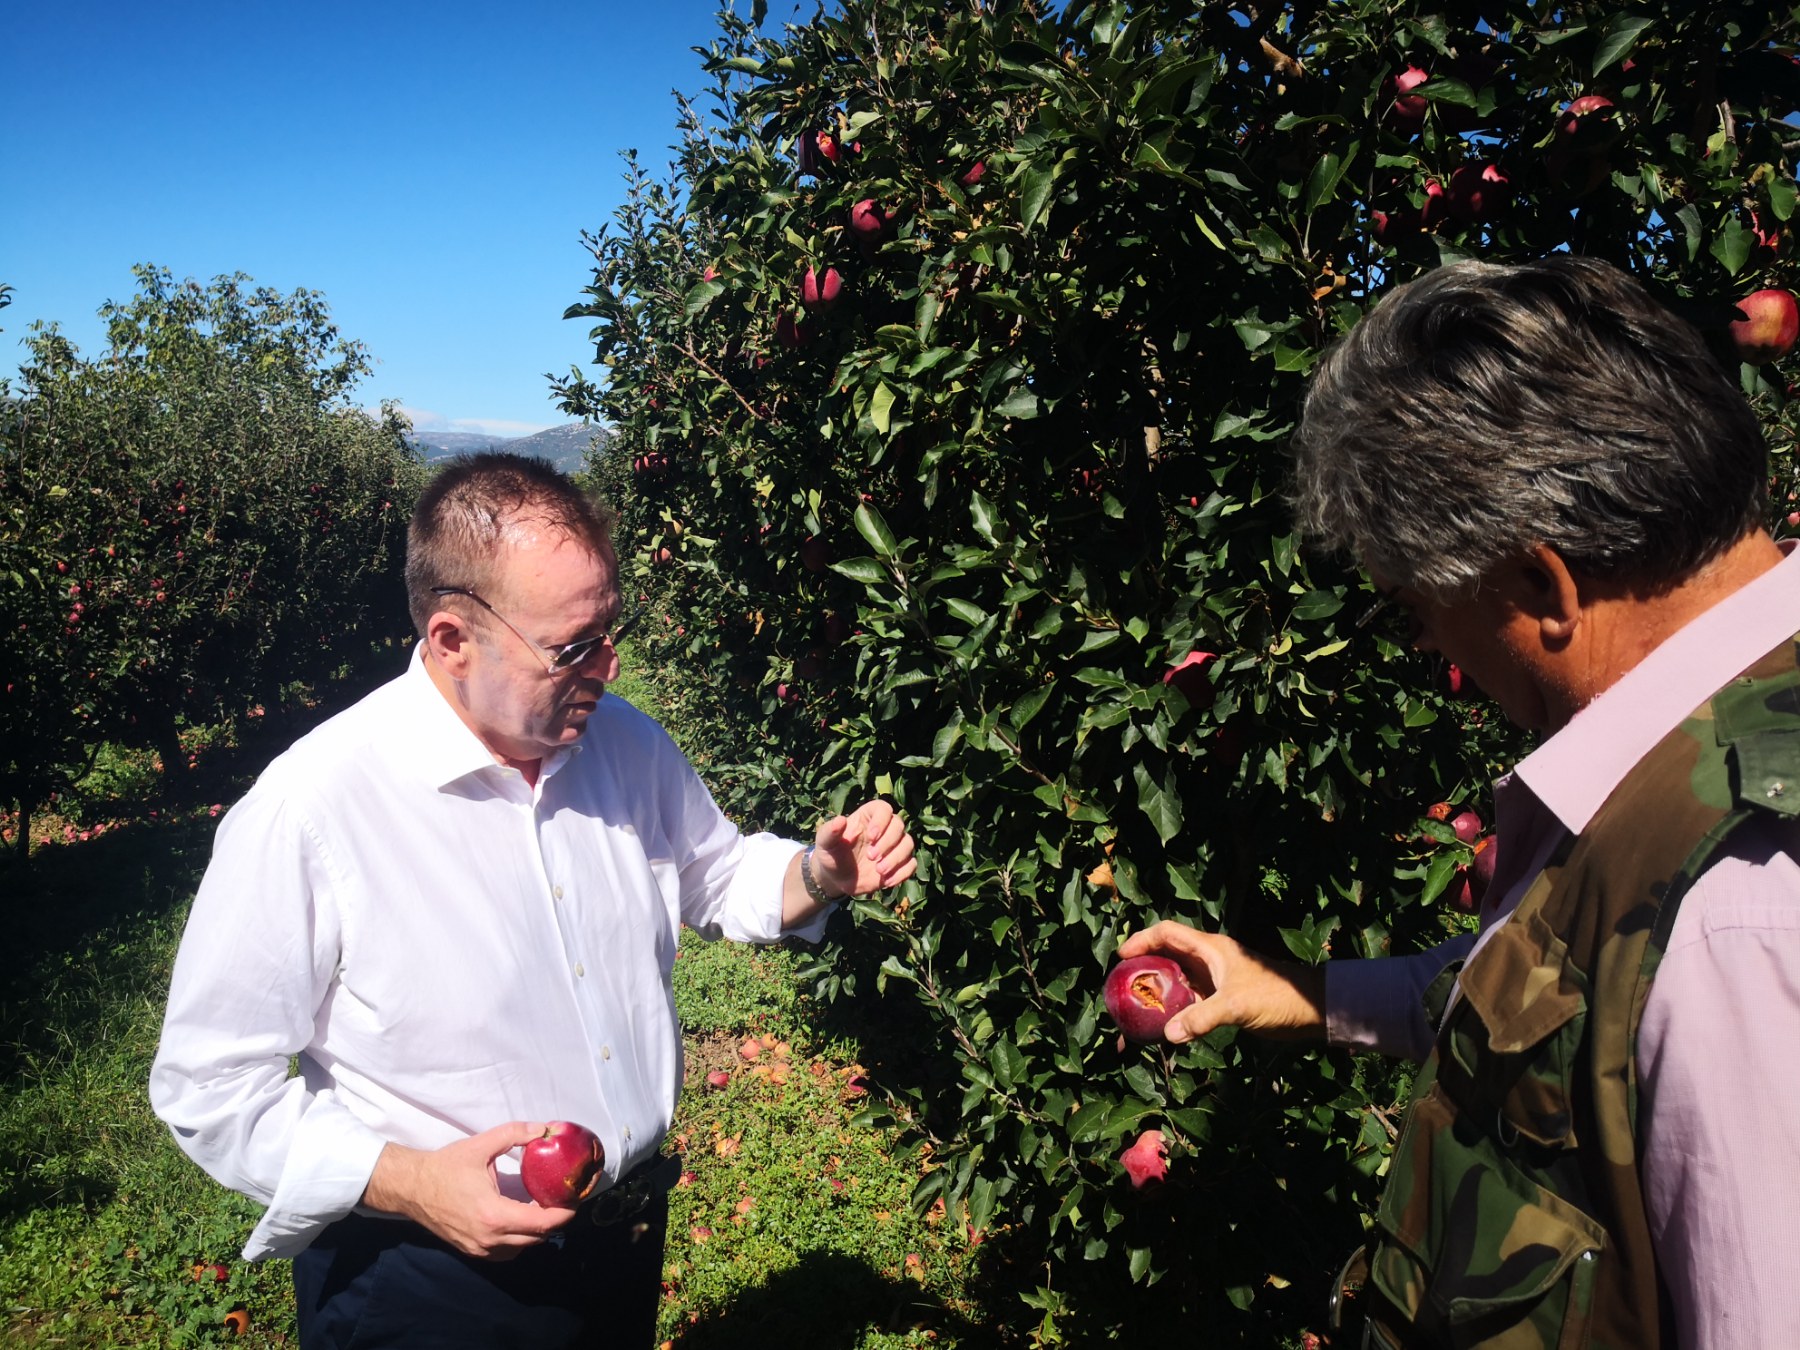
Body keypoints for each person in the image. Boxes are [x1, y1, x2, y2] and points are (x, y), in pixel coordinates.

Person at [1122, 258, 1800, 1347]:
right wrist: (1305, 991)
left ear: (1541, 586)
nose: (1434, 650)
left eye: (1418, 612)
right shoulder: (1712, 755)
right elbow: (1565, 996)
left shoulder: (1739, 913)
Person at [150, 452, 917, 1349]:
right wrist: (407, 1181)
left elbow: (716, 875)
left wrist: (818, 875)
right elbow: (209, 1085)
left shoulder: (623, 744)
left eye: (609, 633)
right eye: (572, 648)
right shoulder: (313, 808)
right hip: (427, 1284)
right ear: (451, 641)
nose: (608, 668)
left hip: (620, 1240)